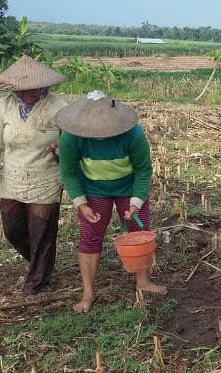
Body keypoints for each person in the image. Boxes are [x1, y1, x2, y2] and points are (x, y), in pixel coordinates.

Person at [56, 90, 166, 313]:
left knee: (138, 231)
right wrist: (81, 203)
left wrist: (136, 201)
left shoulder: (132, 134)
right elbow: (68, 171)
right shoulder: (71, 136)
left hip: (128, 186)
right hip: (94, 189)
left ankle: (143, 282)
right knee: (90, 236)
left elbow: (144, 170)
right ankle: (88, 293)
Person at [0, 56, 68, 294]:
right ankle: (43, 262)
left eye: (33, 87)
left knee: (42, 231)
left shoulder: (59, 107)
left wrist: (60, 152)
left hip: (46, 178)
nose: (29, 92)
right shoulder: (3, 106)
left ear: (43, 85)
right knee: (12, 230)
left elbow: (71, 146)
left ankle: (36, 283)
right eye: (23, 88)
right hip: (13, 178)